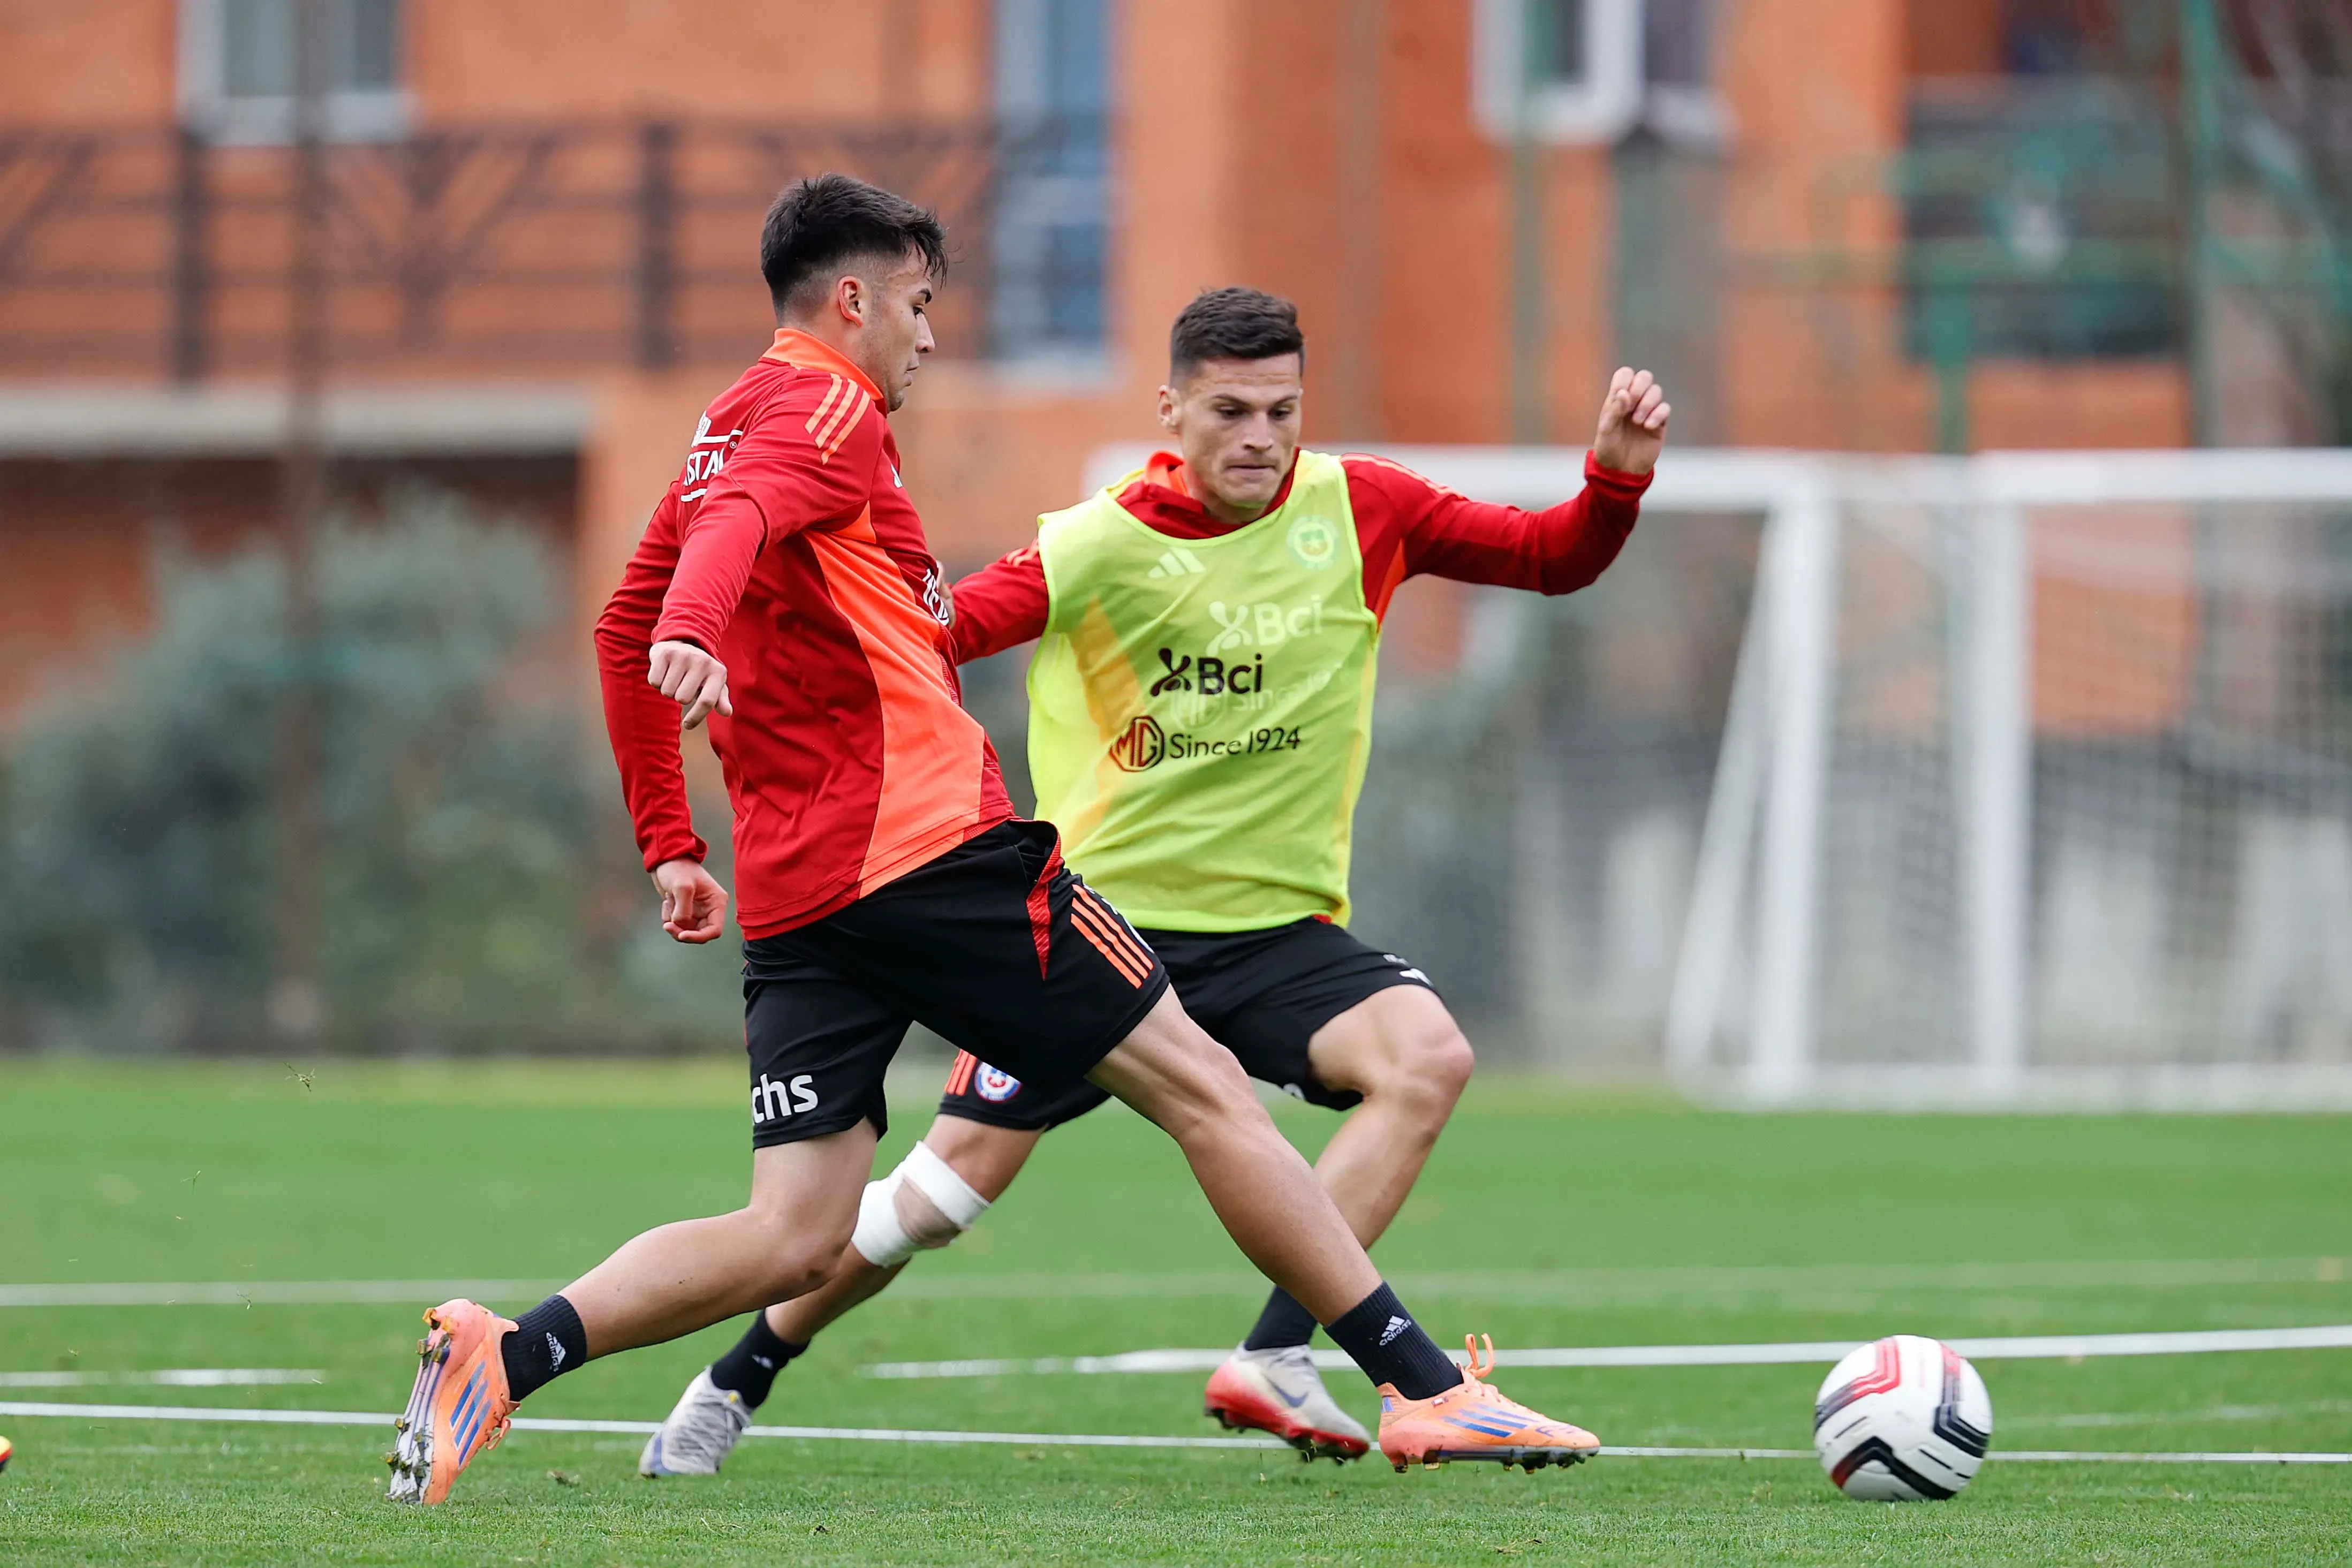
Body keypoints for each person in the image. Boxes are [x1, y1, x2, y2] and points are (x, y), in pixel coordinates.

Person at [384, 182, 1601, 1506]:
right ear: (854, 300)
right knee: (1203, 1090)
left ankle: (511, 1354)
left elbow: (622, 630)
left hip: (802, 895)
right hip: (926, 852)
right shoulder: (827, 403)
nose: (926, 337)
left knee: (793, 1234)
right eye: (917, 305)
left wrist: (673, 840)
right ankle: (1423, 1389)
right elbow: (679, 600)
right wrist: (700, 619)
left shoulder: (716, 429)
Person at [637, 285, 1669, 1477]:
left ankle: (1280, 1356)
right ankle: (737, 1377)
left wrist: (1613, 483)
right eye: (1230, 409)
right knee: (934, 1197)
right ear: (1170, 408)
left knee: (1426, 1057)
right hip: (1098, 933)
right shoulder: (1095, 544)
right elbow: (919, 641)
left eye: (1282, 410)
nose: (1260, 437)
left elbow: (1550, 557)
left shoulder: (1366, 509)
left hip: (1280, 934)